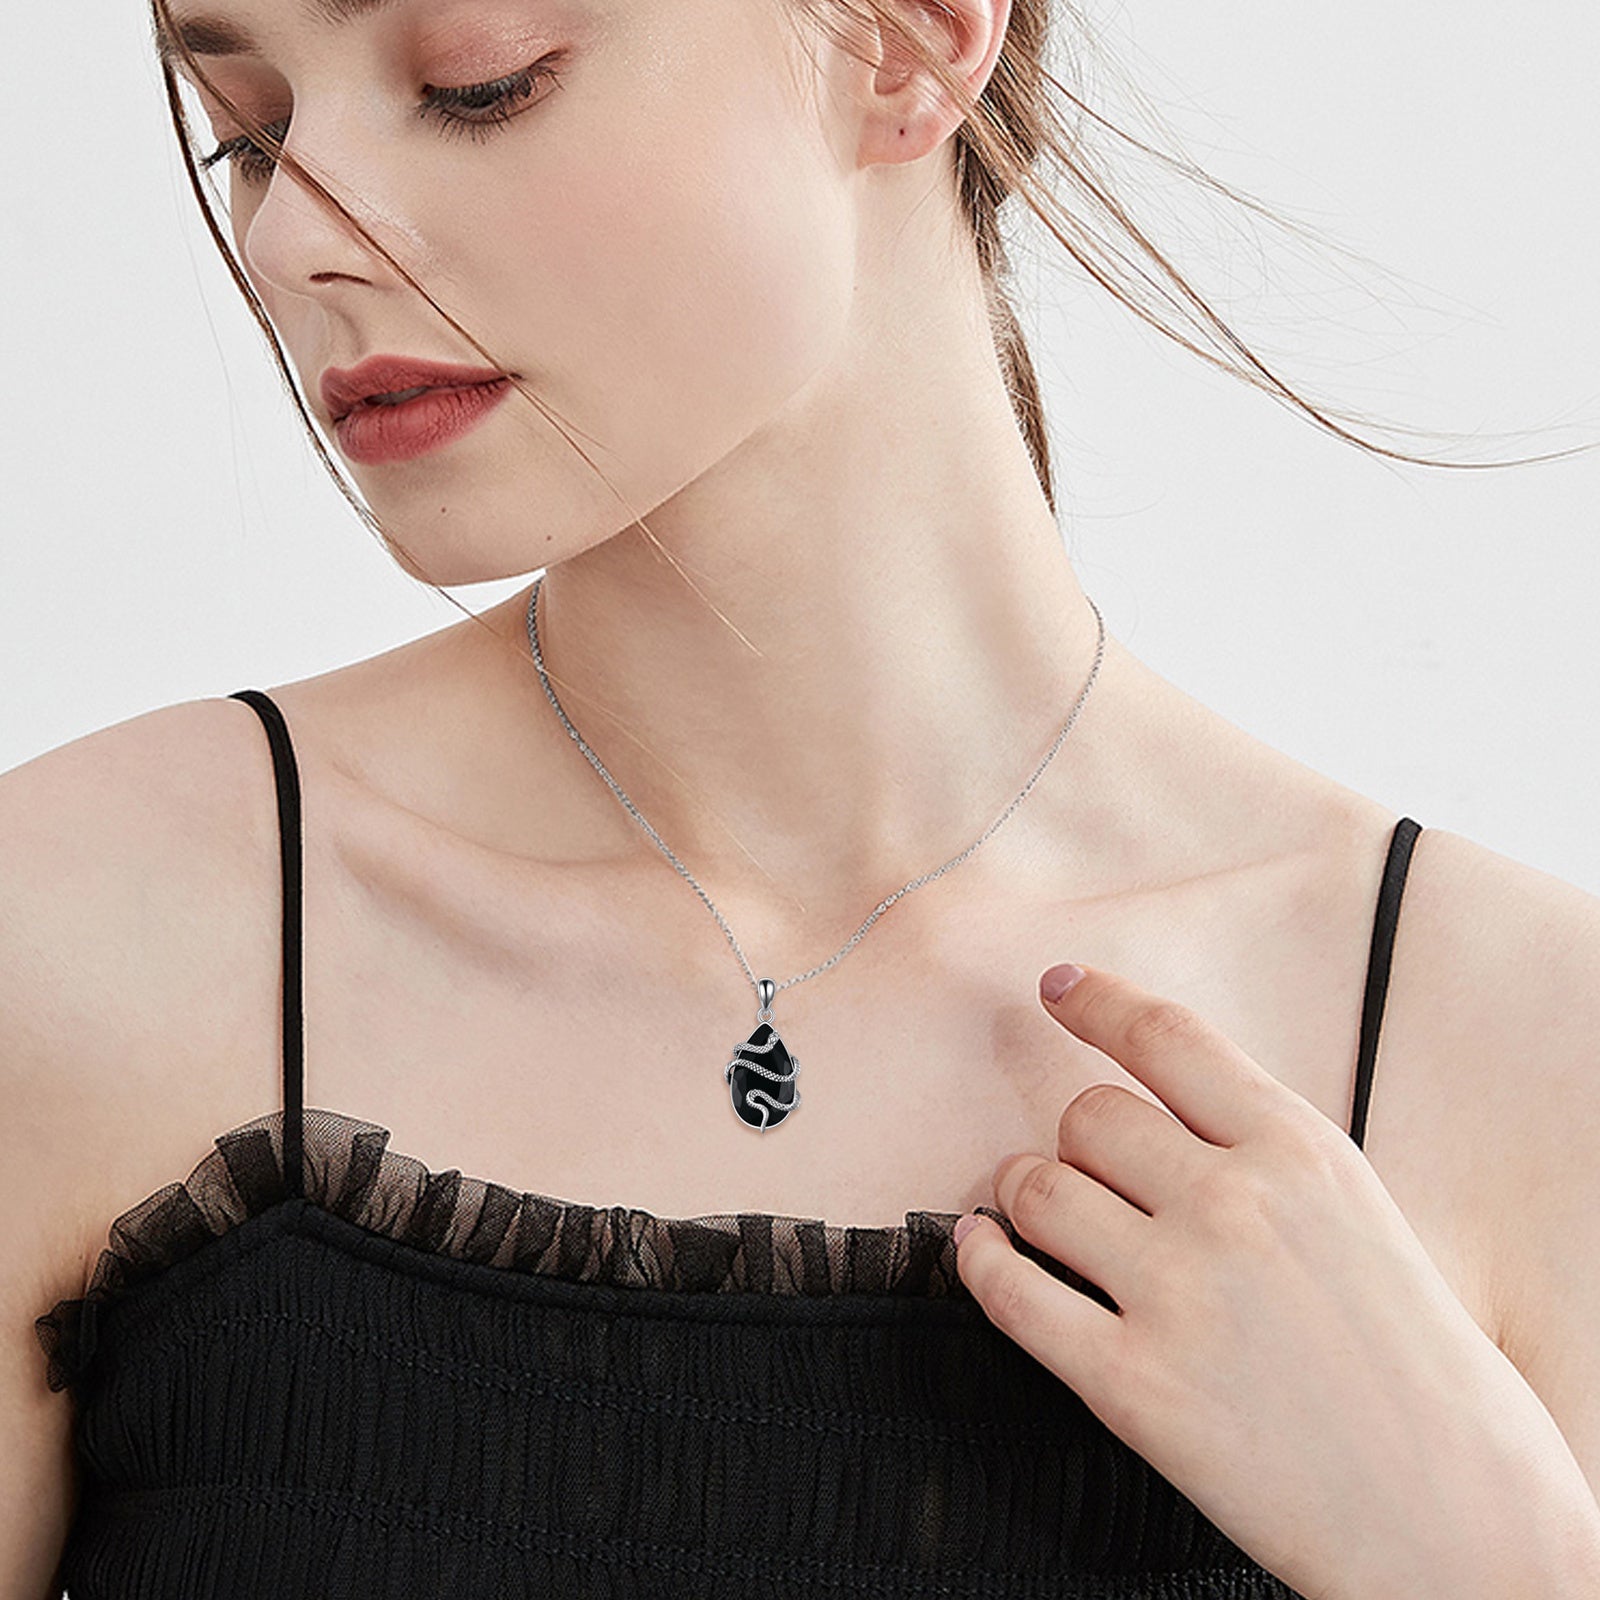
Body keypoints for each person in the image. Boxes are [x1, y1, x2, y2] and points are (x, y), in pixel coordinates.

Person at [4, 0, 1600, 1594]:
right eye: (252, 135)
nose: (292, 241)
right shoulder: (83, 936)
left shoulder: (1523, 1060)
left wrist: (1486, 1559)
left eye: (477, 83)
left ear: (907, 45)